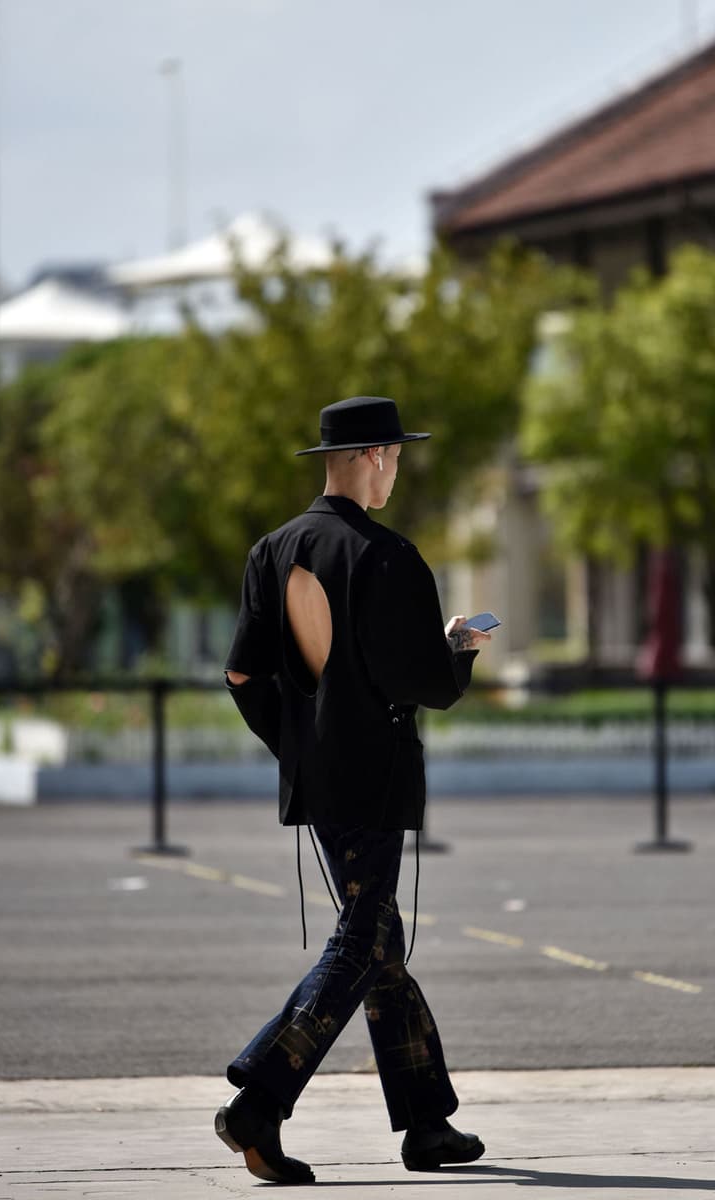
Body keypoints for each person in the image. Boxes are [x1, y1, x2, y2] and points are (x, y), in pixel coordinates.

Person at [215, 395, 492, 1184]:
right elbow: (427, 686)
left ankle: (428, 1124)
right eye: (395, 457)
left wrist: (301, 745)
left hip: (322, 781)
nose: (396, 471)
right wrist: (459, 651)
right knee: (363, 940)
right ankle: (259, 1100)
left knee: (380, 946)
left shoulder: (273, 549)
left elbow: (242, 674)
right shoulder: (388, 556)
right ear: (370, 456)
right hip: (375, 778)